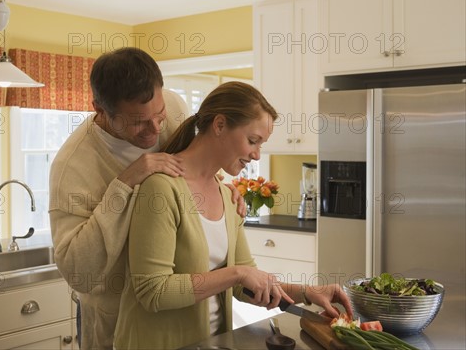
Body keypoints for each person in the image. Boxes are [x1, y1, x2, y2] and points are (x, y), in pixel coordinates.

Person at [113, 81, 353, 350]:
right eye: (252, 141)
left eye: (261, 144)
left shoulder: (228, 197)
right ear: (219, 125)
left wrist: (307, 292)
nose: (256, 154)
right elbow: (152, 292)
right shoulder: (160, 189)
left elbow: (246, 284)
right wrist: (236, 274)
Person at [49, 48, 245, 350]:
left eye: (159, 114)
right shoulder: (71, 167)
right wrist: (125, 182)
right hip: (112, 326)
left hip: (181, 318)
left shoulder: (175, 107)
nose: (155, 131)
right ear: (100, 110)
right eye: (139, 123)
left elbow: (195, 167)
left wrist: (221, 189)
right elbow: (78, 273)